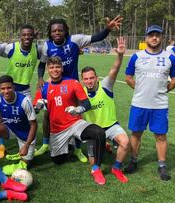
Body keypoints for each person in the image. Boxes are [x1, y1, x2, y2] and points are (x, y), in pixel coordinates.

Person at [35, 16, 123, 160]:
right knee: (48, 114)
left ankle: (77, 148)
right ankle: (45, 144)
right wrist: (40, 78)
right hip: (55, 82)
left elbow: (97, 37)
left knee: (76, 115)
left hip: (72, 85)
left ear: (65, 31)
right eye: (54, 31)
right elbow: (41, 64)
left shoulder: (75, 40)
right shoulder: (47, 46)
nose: (57, 33)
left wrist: (108, 28)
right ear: (50, 33)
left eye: (60, 30)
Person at [33, 56, 107, 185]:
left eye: (57, 67)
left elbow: (87, 104)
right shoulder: (43, 87)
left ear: (62, 69)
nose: (55, 70)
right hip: (57, 129)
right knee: (58, 161)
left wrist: (78, 109)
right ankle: (71, 145)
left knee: (98, 133)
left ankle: (96, 169)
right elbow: (35, 110)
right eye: (51, 67)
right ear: (47, 70)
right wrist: (37, 106)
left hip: (75, 123)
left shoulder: (73, 83)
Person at [124, 25, 175, 181]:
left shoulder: (170, 57)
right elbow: (128, 76)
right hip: (139, 103)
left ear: (161, 38)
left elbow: (174, 79)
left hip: (159, 105)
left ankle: (162, 165)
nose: (154, 38)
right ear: (145, 38)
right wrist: (138, 89)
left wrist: (166, 89)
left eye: (157, 35)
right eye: (151, 35)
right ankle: (133, 161)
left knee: (160, 136)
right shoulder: (136, 57)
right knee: (136, 133)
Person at [81, 37, 129, 183]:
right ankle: (99, 159)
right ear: (82, 80)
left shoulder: (106, 85)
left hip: (111, 125)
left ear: (97, 78)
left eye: (91, 78)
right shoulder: (80, 93)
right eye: (86, 79)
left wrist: (120, 55)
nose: (89, 81)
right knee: (93, 163)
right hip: (94, 131)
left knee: (125, 142)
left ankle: (116, 167)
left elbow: (115, 69)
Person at [0, 24, 41, 159]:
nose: (27, 37)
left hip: (25, 89)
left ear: (34, 36)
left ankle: (27, 145)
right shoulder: (12, 47)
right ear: (20, 36)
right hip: (10, 87)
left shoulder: (37, 49)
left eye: (29, 34)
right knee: (2, 117)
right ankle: (1, 145)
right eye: (24, 35)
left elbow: (47, 58)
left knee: (28, 118)